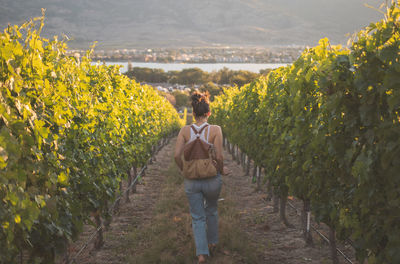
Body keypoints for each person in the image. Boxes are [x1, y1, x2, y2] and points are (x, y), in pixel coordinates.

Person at [174, 91, 227, 263]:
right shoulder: (215, 130)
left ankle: (202, 254)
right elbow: (219, 156)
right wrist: (222, 170)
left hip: (192, 181)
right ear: (208, 113)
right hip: (211, 178)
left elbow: (176, 156)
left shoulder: (184, 131)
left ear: (193, 113)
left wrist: (184, 170)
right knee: (211, 210)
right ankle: (212, 243)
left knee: (197, 216)